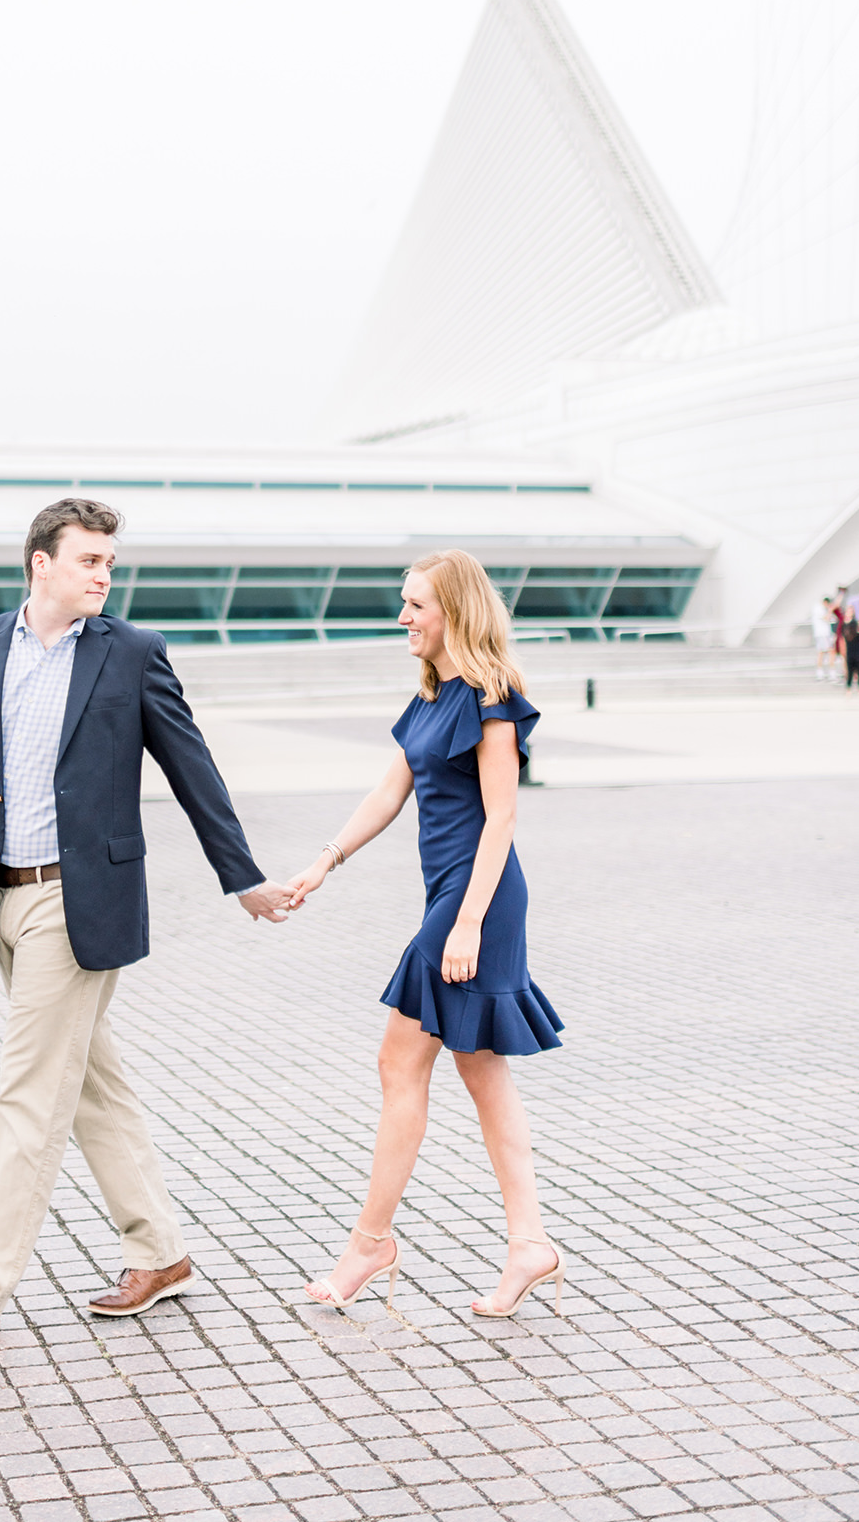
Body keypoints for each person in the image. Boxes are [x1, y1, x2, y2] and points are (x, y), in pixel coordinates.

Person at [0, 496, 291, 1342]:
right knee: (92, 1087)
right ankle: (161, 1251)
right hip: (4, 899)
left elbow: (193, 768)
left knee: (28, 1092)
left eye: (109, 561)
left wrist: (239, 876)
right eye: (89, 560)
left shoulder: (132, 654)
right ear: (41, 563)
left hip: (81, 899)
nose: (105, 574)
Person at [281, 548, 564, 1321]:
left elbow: (501, 816)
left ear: (454, 612)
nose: (402, 617)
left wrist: (468, 921)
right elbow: (390, 789)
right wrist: (324, 862)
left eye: (416, 605)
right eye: (404, 603)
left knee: (399, 1061)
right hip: (452, 894)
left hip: (479, 899)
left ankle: (370, 1243)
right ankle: (529, 1243)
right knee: (482, 1072)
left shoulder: (491, 695)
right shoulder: (432, 697)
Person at [846, 590, 859, 691]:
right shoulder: (845, 624)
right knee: (850, 670)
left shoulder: (856, 623)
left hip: (857, 650)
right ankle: (849, 690)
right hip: (849, 651)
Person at [812, 597, 836, 680]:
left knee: (822, 653)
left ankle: (821, 673)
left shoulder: (819, 608)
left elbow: (832, 619)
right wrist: (830, 610)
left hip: (822, 634)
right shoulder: (819, 608)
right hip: (823, 634)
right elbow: (826, 618)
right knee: (829, 652)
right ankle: (830, 673)